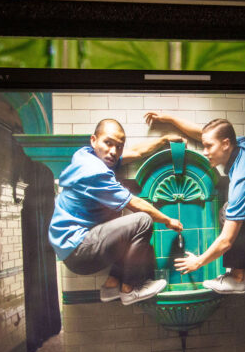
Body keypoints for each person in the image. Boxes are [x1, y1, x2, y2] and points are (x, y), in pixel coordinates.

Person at [144, 112, 245, 294]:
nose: (204, 151)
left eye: (208, 146)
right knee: (232, 211)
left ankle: (237, 278)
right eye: (204, 145)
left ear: (225, 144)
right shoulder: (241, 144)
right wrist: (168, 119)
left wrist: (197, 262)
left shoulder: (243, 176)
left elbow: (226, 240)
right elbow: (201, 133)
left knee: (229, 211)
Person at [49, 119, 184, 305]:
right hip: (79, 250)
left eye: (119, 146)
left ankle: (111, 286)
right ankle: (129, 289)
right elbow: (134, 203)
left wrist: (164, 139)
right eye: (108, 143)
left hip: (73, 249)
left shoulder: (87, 155)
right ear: (93, 140)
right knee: (142, 221)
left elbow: (136, 152)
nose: (113, 151)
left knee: (137, 241)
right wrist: (168, 220)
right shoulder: (94, 171)